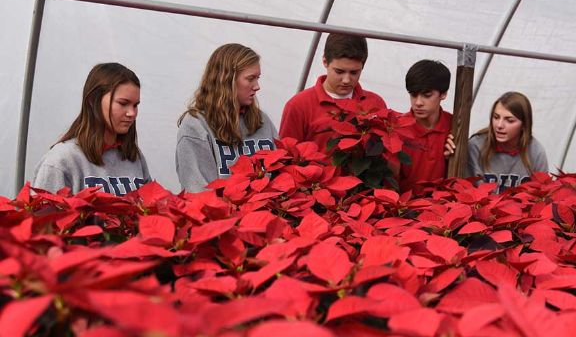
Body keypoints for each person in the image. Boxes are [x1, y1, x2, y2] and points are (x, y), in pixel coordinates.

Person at [32, 62, 151, 196]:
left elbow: (153, 210)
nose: (132, 113)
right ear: (93, 101)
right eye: (123, 103)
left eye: (135, 105)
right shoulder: (61, 161)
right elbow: (44, 215)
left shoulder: (135, 158)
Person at [176, 43, 277, 192]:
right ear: (227, 80)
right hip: (223, 214)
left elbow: (281, 172)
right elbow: (198, 191)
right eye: (250, 79)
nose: (257, 86)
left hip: (266, 214)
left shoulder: (262, 120)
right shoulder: (195, 126)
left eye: (258, 78)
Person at [279, 33, 386, 152]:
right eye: (339, 71)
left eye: (354, 73)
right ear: (325, 61)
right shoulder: (298, 106)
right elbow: (286, 156)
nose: (346, 80)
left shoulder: (375, 103)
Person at [467, 91, 548, 192]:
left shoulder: (536, 152)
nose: (499, 125)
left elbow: (542, 193)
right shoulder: (476, 146)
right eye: (496, 117)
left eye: (509, 120)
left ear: (524, 125)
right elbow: (469, 190)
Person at [399, 59, 455, 192]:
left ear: (443, 94)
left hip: (442, 208)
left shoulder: (455, 126)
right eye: (413, 95)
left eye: (427, 95)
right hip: (401, 208)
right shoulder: (397, 127)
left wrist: (454, 157)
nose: (418, 102)